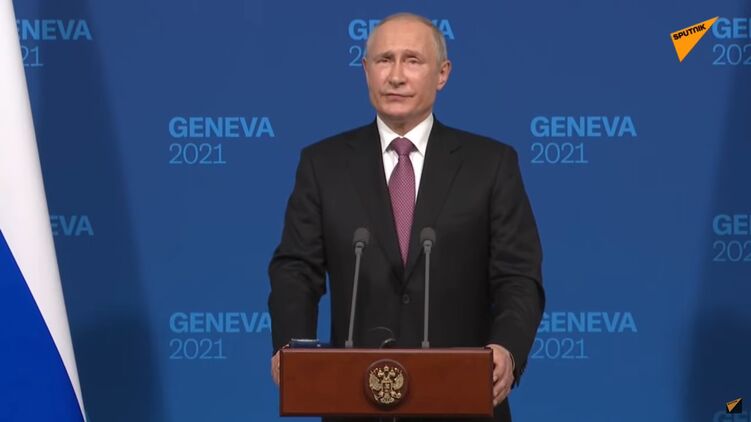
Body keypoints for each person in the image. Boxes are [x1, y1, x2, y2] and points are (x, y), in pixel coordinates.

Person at [268, 12, 544, 422]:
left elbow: (518, 275)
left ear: (442, 73)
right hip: (354, 402)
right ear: (366, 71)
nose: (396, 76)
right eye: (384, 60)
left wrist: (507, 348)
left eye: (412, 60)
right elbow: (296, 270)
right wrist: (292, 348)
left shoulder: (490, 164)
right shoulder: (323, 164)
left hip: (462, 401)